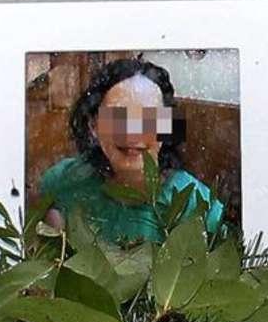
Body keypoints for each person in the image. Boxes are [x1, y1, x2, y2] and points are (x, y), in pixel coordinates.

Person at [35, 57, 228, 244]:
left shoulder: (199, 209)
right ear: (93, 126)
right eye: (119, 118)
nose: (134, 133)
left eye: (149, 119)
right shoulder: (64, 182)